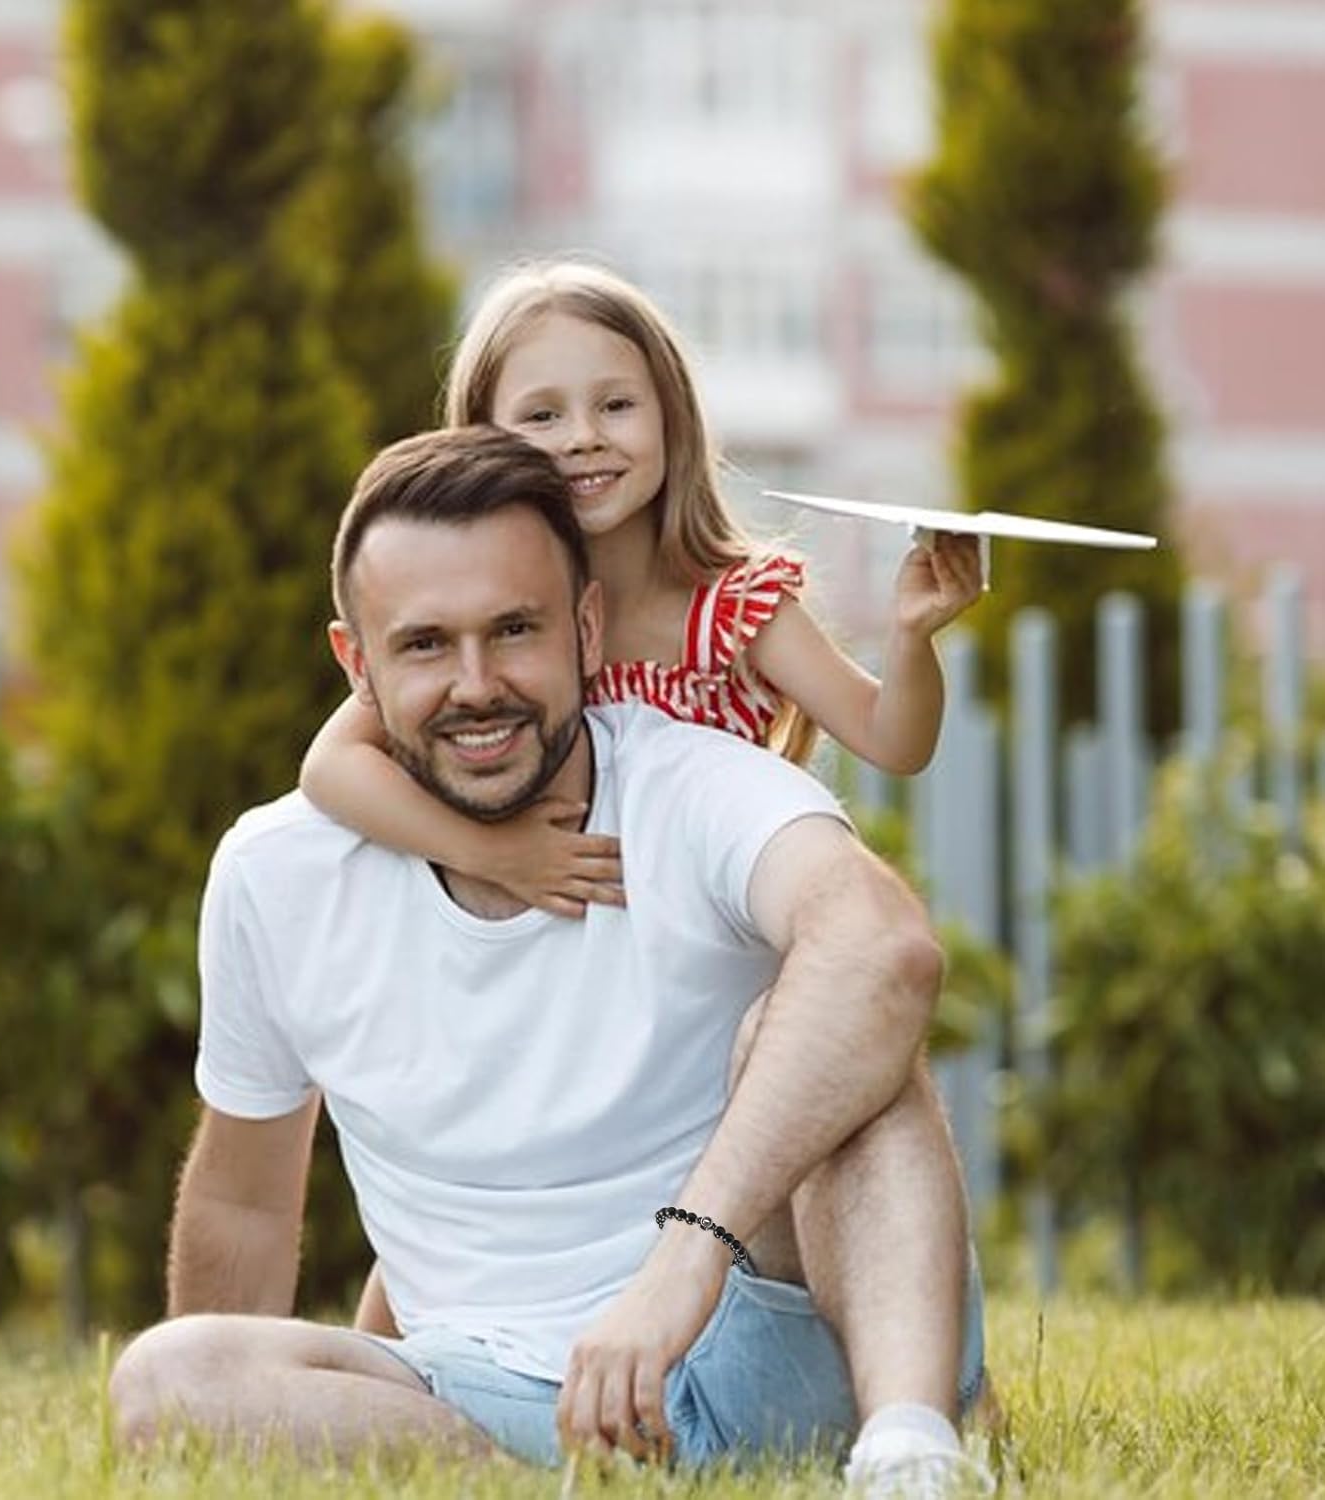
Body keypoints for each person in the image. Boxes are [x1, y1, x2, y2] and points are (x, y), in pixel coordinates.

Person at [107, 425, 993, 1498]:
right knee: (167, 1378)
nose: (476, 685)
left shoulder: (690, 785)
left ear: (585, 627)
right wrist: (242, 1429)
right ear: (357, 663)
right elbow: (245, 1205)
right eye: (425, 645)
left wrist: (685, 1260)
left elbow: (885, 949)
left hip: (763, 1352)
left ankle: (910, 1458)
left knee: (831, 1031)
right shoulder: (277, 872)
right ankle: (565, 1487)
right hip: (477, 1400)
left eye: (514, 630)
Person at [298, 259, 984, 920]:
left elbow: (894, 742)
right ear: (483, 440)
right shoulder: (488, 628)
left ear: (669, 418)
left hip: (707, 946)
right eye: (542, 417)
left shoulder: (735, 609)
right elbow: (331, 768)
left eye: (617, 405)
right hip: (553, 953)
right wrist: (497, 855)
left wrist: (911, 634)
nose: (584, 438)